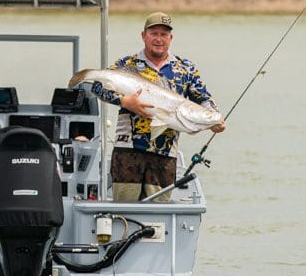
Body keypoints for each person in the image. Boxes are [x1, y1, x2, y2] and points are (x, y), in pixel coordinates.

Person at [91, 12, 226, 202]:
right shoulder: (127, 64)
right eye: (154, 33)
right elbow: (97, 86)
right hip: (128, 150)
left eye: (164, 34)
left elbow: (203, 98)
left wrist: (214, 118)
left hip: (165, 154)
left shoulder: (185, 68)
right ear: (143, 35)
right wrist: (124, 102)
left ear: (170, 38)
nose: (159, 39)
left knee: (158, 219)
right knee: (123, 212)